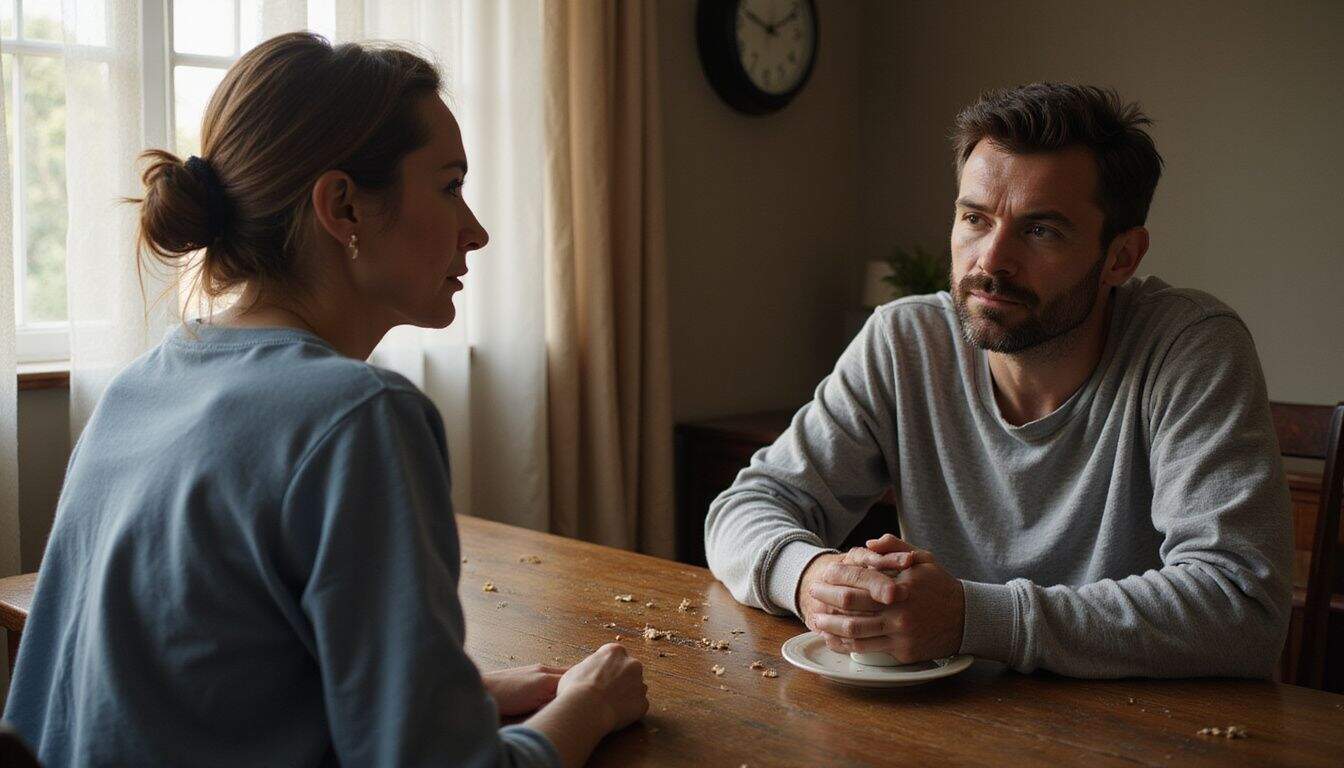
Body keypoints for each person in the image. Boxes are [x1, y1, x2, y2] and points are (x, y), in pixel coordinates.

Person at [4, 32, 646, 767]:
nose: (477, 231)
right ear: (343, 206)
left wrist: (455, 690)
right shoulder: (357, 417)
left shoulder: (138, 387)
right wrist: (586, 709)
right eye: (448, 186)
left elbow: (196, 683)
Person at [705, 83, 1292, 679]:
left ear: (1121, 257)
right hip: (949, 722)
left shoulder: (1190, 347)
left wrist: (972, 619)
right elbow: (745, 508)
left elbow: (1241, 607)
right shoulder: (906, 341)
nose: (990, 261)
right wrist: (810, 579)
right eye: (974, 219)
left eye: (1041, 230)